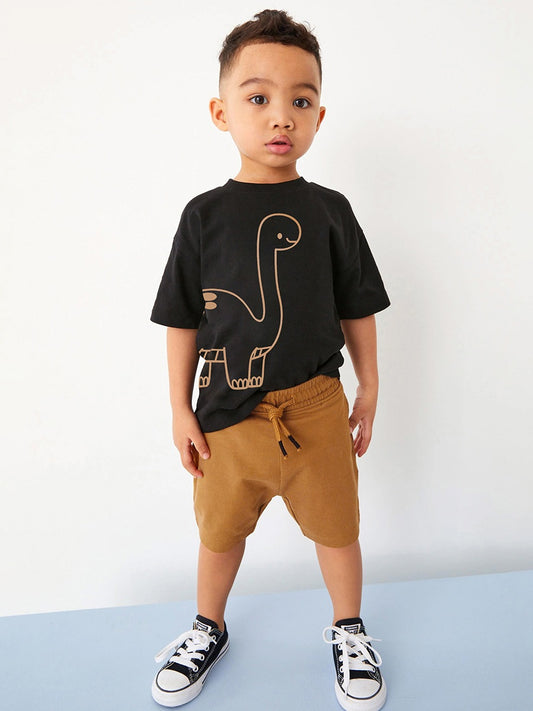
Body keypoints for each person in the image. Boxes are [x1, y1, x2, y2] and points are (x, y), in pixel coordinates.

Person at [149, 9, 391, 711]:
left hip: (316, 408)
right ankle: (208, 625)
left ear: (319, 115)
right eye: (258, 97)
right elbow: (180, 318)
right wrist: (180, 408)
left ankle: (349, 628)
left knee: (338, 531)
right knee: (219, 531)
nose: (281, 115)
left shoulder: (330, 210)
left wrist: (369, 386)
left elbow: (358, 305)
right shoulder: (202, 216)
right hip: (227, 412)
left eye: (301, 100)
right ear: (221, 112)